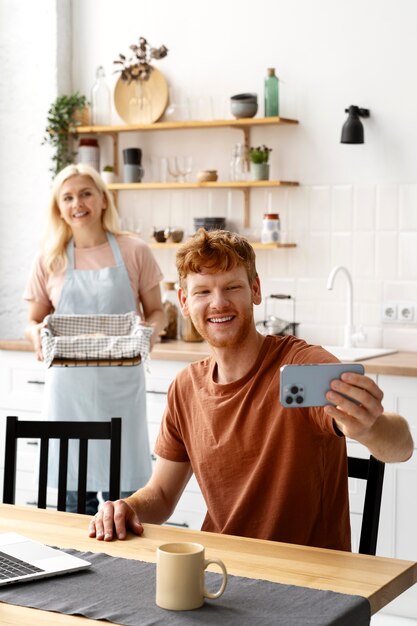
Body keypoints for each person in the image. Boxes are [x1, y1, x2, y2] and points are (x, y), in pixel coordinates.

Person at [89, 229, 413, 549]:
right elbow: (160, 496)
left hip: (309, 581)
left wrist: (372, 427)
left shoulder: (302, 365)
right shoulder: (185, 388)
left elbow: (401, 447)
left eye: (232, 287)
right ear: (184, 301)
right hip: (221, 570)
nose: (218, 303)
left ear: (255, 290)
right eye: (203, 292)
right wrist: (127, 507)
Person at [24, 163, 165, 514]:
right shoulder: (49, 258)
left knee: (128, 507)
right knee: (74, 507)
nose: (78, 203)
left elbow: (158, 312)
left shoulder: (134, 250)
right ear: (59, 207)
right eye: (67, 197)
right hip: (69, 393)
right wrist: (37, 334)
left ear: (103, 199)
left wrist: (150, 334)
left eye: (86, 193)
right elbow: (33, 320)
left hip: (121, 389)